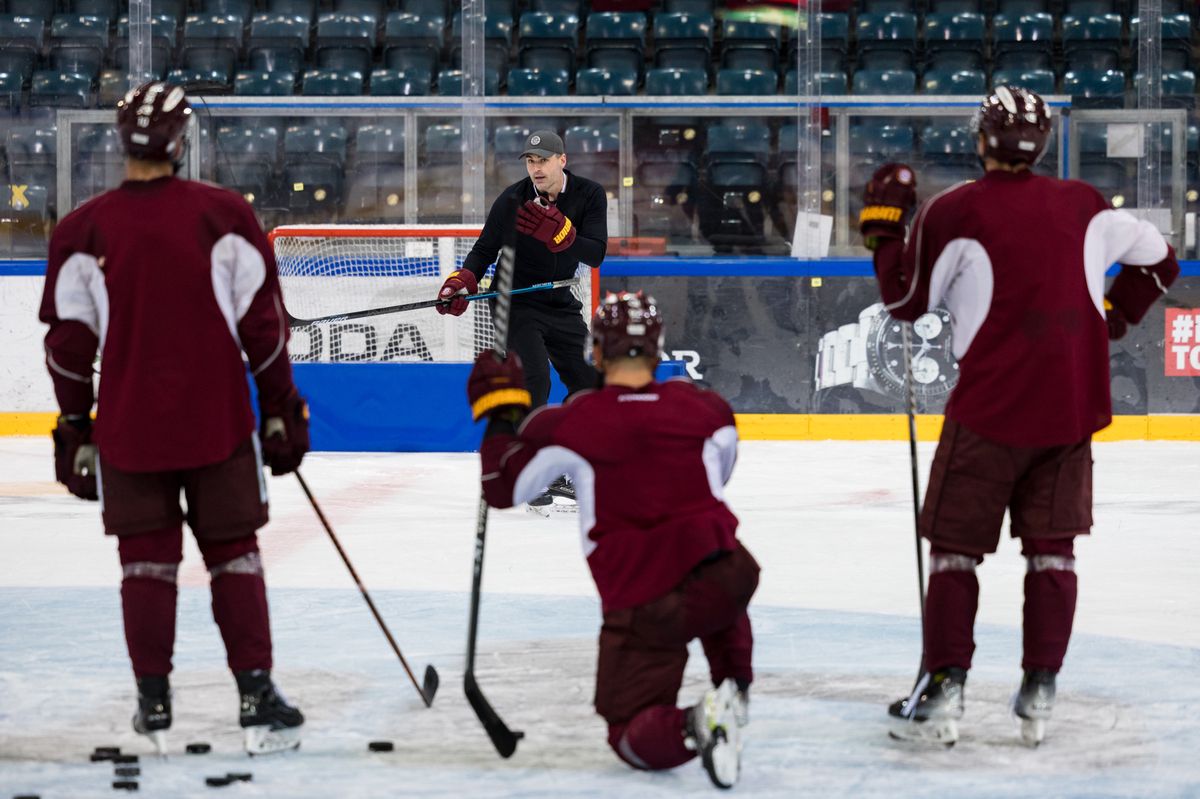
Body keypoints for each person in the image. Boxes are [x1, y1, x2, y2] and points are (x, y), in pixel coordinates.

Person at [859, 85, 1180, 747]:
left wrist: (885, 231)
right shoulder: (1086, 204)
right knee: (1052, 553)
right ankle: (1041, 688)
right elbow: (1161, 259)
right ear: (1043, 143)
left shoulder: (957, 210)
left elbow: (906, 303)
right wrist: (1116, 315)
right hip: (1069, 412)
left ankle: (943, 688)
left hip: (988, 414)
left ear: (982, 139)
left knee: (953, 554)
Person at [39, 81, 310, 756]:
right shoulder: (223, 214)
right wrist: (280, 408)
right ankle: (255, 695)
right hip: (216, 423)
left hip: (130, 431)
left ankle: (152, 704)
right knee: (235, 556)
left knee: (146, 566)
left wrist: (76, 427)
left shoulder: (83, 229)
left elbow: (69, 351)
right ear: (181, 139)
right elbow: (266, 331)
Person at [466, 291, 760, 788]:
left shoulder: (571, 422)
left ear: (596, 352)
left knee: (628, 732)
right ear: (657, 349)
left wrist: (500, 409)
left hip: (647, 599)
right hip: (730, 574)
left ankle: (699, 722)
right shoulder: (708, 409)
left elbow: (502, 487)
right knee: (713, 575)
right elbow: (720, 473)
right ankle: (734, 687)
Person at [437, 129, 609, 511]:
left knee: (587, 381)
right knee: (535, 379)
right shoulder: (513, 199)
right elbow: (484, 249)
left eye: (543, 160)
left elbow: (595, 254)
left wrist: (565, 236)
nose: (536, 168)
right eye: (531, 162)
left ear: (562, 160)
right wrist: (462, 280)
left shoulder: (590, 194)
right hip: (513, 303)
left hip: (560, 301)